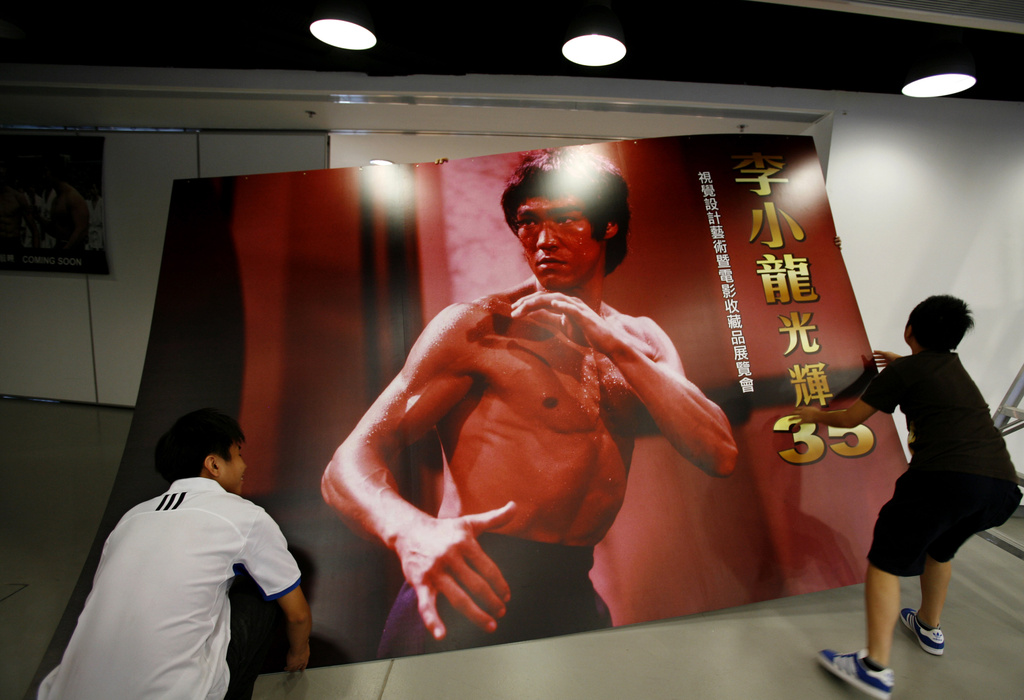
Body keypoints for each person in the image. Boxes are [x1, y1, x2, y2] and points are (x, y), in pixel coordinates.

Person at [322, 147, 737, 657]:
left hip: (572, 594)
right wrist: (410, 529)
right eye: (528, 222)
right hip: (471, 583)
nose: (543, 240)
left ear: (608, 226)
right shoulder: (477, 328)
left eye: (565, 219)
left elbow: (718, 452)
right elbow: (347, 463)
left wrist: (611, 343)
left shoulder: (641, 340)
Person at [797, 295, 1021, 699]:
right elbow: (924, 374)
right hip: (1000, 487)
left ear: (909, 329)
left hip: (944, 477)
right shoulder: (952, 367)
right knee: (940, 549)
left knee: (885, 559)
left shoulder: (906, 371)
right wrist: (901, 362)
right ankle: (929, 626)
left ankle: (873, 667)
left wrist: (815, 416)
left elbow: (850, 419)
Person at [38, 409, 312, 700]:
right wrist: (299, 651)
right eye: (239, 453)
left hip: (67, 692)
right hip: (172, 693)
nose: (244, 464)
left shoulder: (131, 517)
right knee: (263, 595)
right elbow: (296, 615)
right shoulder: (245, 516)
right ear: (214, 464)